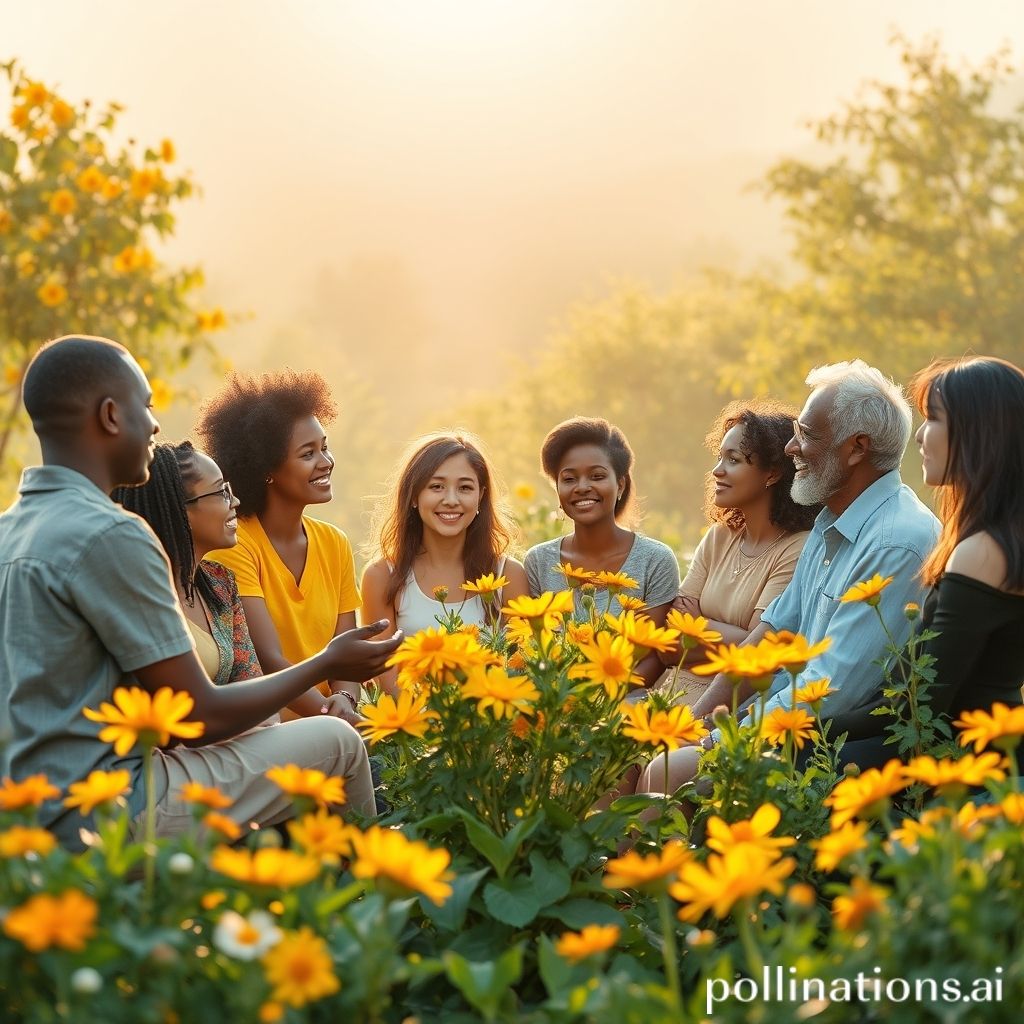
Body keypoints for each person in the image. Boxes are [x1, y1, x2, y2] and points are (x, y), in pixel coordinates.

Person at [0, 336, 402, 848]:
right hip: (109, 806)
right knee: (338, 743)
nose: (155, 425)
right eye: (145, 407)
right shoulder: (112, 534)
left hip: (26, 812)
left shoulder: (9, 531)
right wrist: (327, 664)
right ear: (109, 416)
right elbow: (197, 713)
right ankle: (366, 908)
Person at [639, 359, 940, 794]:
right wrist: (700, 719)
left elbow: (833, 690)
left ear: (856, 448)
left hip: (835, 749)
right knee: (654, 753)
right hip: (782, 722)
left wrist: (719, 737)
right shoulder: (832, 520)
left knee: (666, 773)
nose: (790, 447)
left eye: (807, 435)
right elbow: (769, 632)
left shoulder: (897, 540)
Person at [837, 355, 1024, 767]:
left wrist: (804, 729)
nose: (920, 436)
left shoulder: (983, 553)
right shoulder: (998, 540)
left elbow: (921, 703)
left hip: (969, 768)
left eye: (933, 418)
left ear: (981, 432)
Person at [197, 370, 364, 724]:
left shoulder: (334, 543)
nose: (326, 462)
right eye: (308, 454)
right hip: (272, 729)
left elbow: (348, 658)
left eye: (325, 447)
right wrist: (333, 720)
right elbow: (267, 657)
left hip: (338, 723)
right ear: (267, 469)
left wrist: (346, 699)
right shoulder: (235, 545)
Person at [660, 401, 820, 703]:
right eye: (719, 458)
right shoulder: (719, 537)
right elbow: (673, 637)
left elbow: (762, 651)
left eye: (732, 460)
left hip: (727, 707)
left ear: (771, 473)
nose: (716, 471)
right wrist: (734, 635)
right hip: (667, 688)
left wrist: (699, 628)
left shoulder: (798, 548)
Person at [361, 432, 528, 694]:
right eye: (436, 486)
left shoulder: (508, 575)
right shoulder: (382, 575)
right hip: (413, 725)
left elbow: (519, 667)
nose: (451, 500)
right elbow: (387, 679)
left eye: (465, 488)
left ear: (481, 497)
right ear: (414, 496)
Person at [525, 416, 680, 688]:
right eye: (569, 478)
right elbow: (534, 649)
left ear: (620, 484)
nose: (582, 487)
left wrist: (597, 701)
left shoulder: (655, 560)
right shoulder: (538, 562)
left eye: (597, 476)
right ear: (558, 488)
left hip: (626, 707)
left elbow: (654, 656)